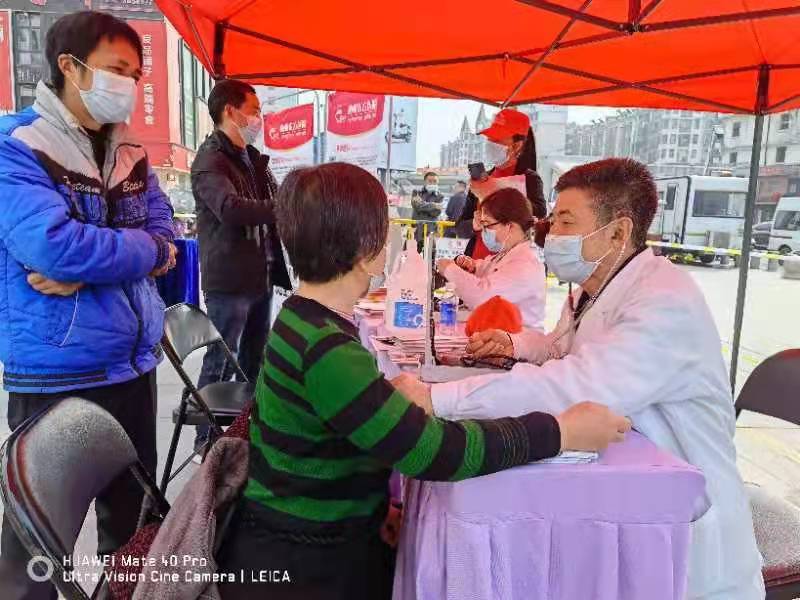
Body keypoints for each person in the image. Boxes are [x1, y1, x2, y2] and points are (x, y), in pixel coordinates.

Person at [215, 162, 630, 600]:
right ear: (368, 250)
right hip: (307, 565)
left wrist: (378, 508)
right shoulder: (327, 350)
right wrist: (559, 432)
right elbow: (433, 451)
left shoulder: (302, 320)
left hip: (304, 539)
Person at [431, 159, 765, 600]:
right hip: (623, 502)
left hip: (690, 540)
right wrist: (517, 344)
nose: (551, 234)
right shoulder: (594, 289)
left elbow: (576, 385)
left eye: (567, 222)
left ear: (618, 233)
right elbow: (562, 349)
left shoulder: (664, 301)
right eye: (554, 220)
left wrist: (441, 399)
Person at [0, 11, 177, 600]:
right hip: (58, 371)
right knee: (36, 549)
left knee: (133, 532)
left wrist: (97, 267)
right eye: (116, 69)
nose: (128, 84)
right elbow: (54, 246)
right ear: (70, 67)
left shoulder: (130, 149)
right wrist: (136, 254)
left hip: (133, 366)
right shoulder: (19, 146)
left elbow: (165, 233)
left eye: (136, 74)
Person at [191, 79, 292, 453]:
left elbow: (273, 197)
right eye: (254, 110)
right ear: (230, 111)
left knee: (255, 358)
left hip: (259, 275)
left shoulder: (251, 158)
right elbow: (230, 209)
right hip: (229, 282)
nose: (259, 118)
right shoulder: (210, 161)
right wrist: (282, 208)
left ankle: (249, 428)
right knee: (221, 357)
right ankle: (205, 441)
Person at [437, 188, 546, 331]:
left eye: (487, 225)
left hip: (519, 340)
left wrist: (449, 269)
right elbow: (487, 267)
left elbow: (482, 296)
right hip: (499, 336)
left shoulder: (525, 264)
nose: (484, 231)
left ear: (510, 226)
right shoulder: (506, 253)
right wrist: (472, 267)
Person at [455, 108, 546, 259]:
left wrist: (491, 191)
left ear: (517, 146)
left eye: (497, 140)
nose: (490, 144)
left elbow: (539, 214)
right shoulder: (481, 179)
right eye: (489, 139)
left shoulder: (530, 179)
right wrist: (474, 224)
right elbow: (460, 228)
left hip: (512, 264)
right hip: (476, 262)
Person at [412, 171, 445, 248]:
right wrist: (434, 205)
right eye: (430, 181)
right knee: (413, 252)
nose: (432, 183)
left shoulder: (440, 196)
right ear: (425, 181)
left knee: (431, 253)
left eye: (435, 181)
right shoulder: (416, 192)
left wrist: (422, 205)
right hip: (417, 230)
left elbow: (436, 212)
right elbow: (417, 206)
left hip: (431, 230)